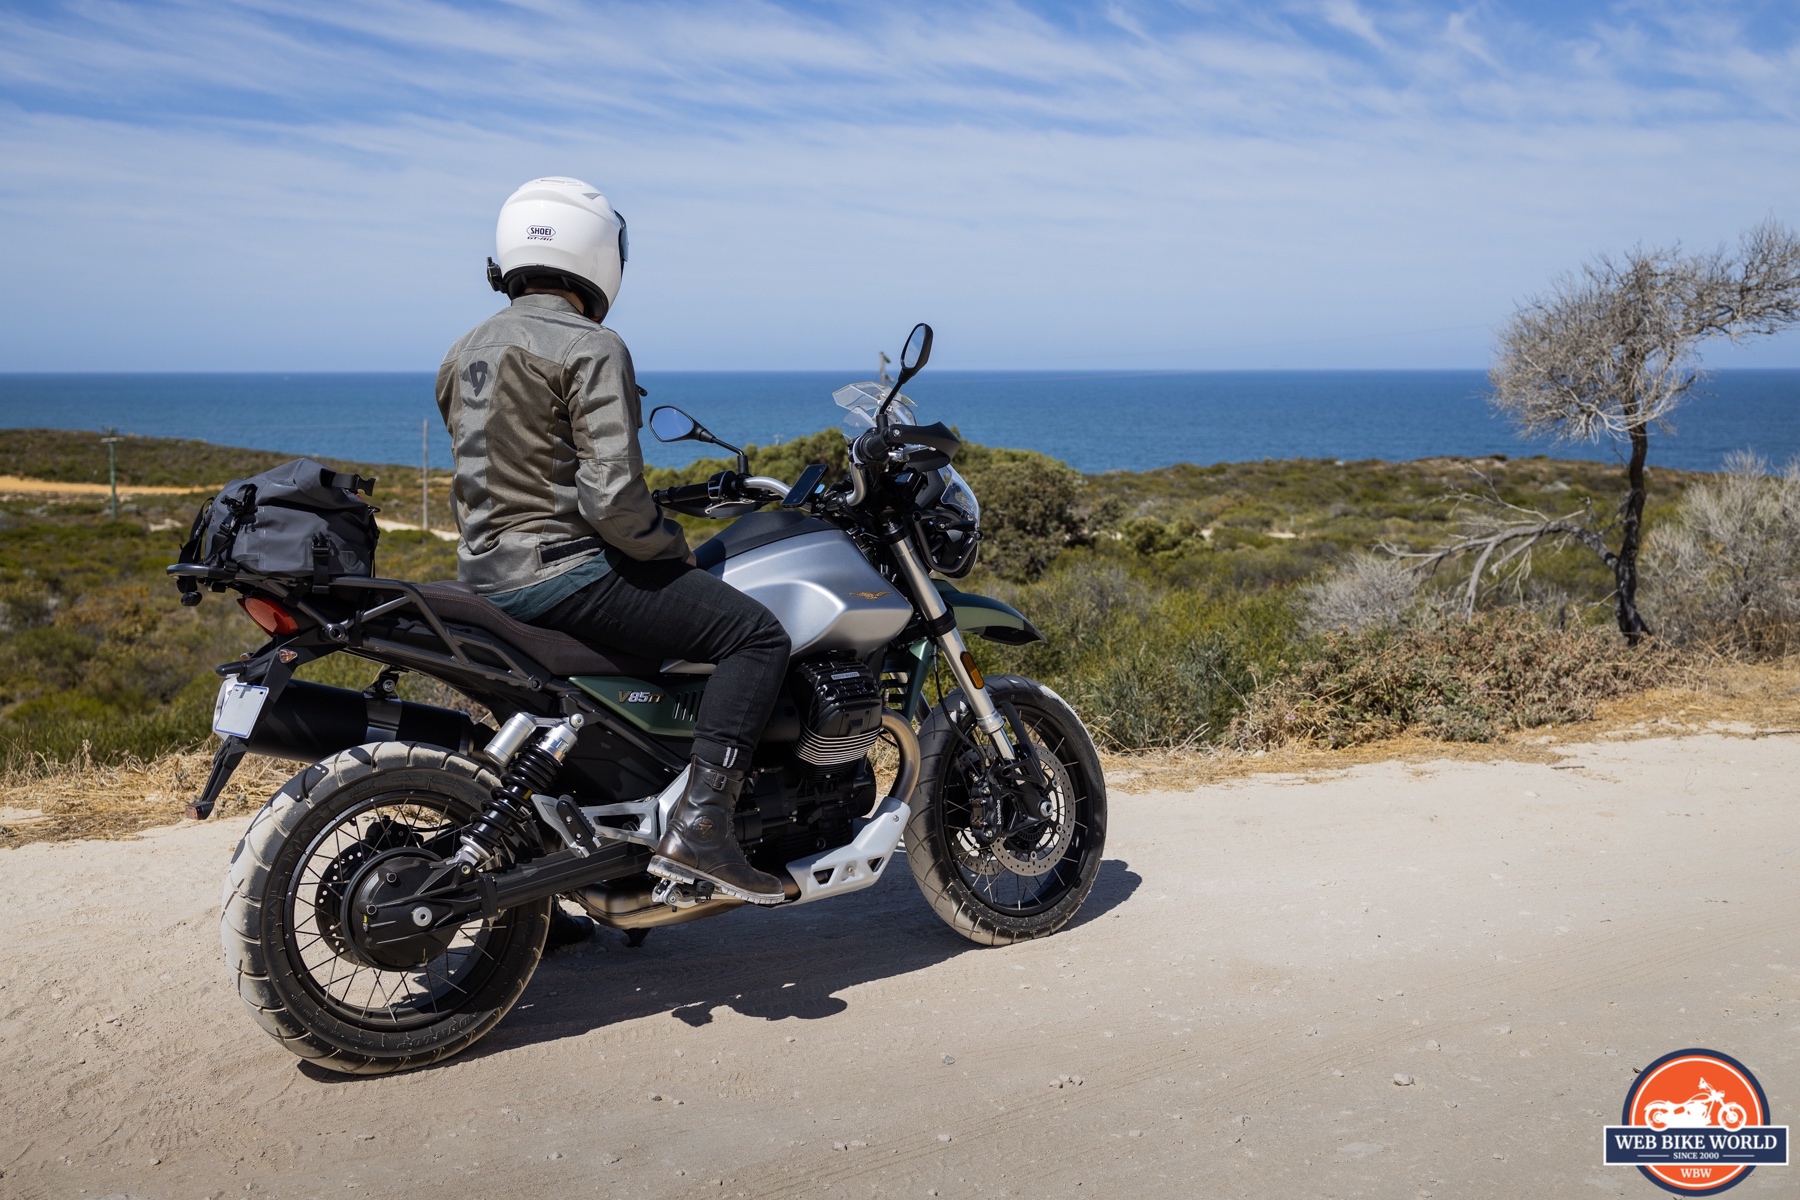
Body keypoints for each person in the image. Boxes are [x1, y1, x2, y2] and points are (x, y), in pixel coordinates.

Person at [436, 177, 793, 923]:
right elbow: (611, 504)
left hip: (485, 575)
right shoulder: (590, 345)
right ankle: (703, 826)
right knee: (756, 634)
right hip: (563, 574)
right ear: (598, 254)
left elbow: (517, 474)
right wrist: (671, 549)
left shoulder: (462, 351)